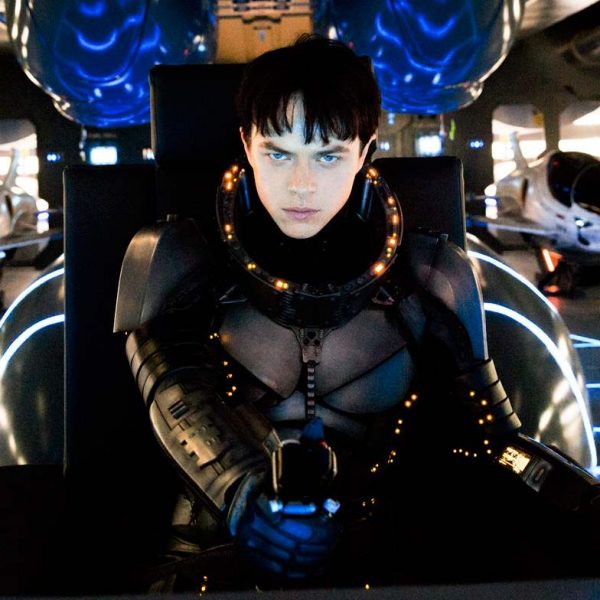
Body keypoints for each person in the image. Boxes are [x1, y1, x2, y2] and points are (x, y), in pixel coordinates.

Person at [114, 35, 600, 591]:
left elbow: (493, 442)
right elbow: (180, 398)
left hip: (384, 562)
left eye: (328, 155)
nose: (301, 185)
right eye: (278, 153)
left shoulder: (431, 276)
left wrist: (576, 498)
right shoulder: (176, 262)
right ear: (246, 143)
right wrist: (246, 496)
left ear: (365, 151)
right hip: (211, 560)